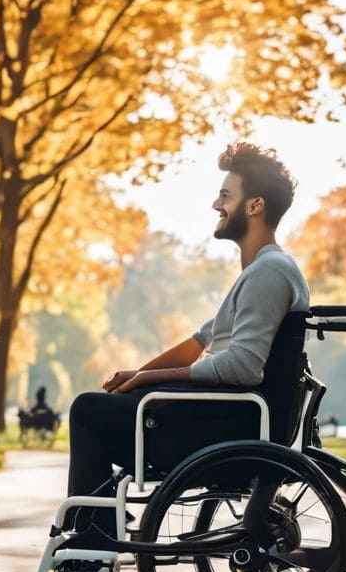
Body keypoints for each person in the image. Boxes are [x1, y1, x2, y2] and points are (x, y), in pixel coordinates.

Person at [65, 141, 310, 539]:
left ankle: (92, 542)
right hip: (221, 419)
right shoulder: (263, 271)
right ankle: (95, 533)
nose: (216, 204)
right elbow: (200, 341)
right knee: (109, 407)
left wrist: (149, 381)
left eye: (226, 196)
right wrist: (138, 374)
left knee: (88, 411)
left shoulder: (269, 273)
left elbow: (243, 367)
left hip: (223, 429)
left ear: (255, 206)